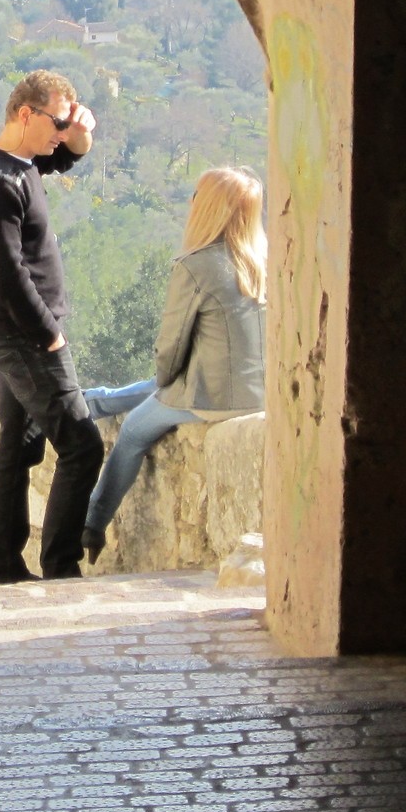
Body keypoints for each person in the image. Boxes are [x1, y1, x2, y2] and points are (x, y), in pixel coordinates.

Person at [80, 165, 267, 563]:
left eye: (197, 195)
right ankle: (89, 403)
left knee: (133, 430)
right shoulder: (262, 260)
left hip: (213, 396)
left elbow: (170, 350)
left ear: (210, 208)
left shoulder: (196, 266)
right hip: (258, 392)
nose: (190, 202)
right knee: (159, 388)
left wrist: (164, 383)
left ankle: (92, 524)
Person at [0, 70, 102, 582]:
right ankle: (60, 566)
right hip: (24, 334)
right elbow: (8, 273)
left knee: (19, 444)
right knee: (82, 443)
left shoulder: (20, 164)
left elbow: (65, 157)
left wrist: (79, 133)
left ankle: (3, 566)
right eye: (57, 122)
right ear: (26, 114)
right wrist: (49, 334)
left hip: (13, 331)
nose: (60, 134)